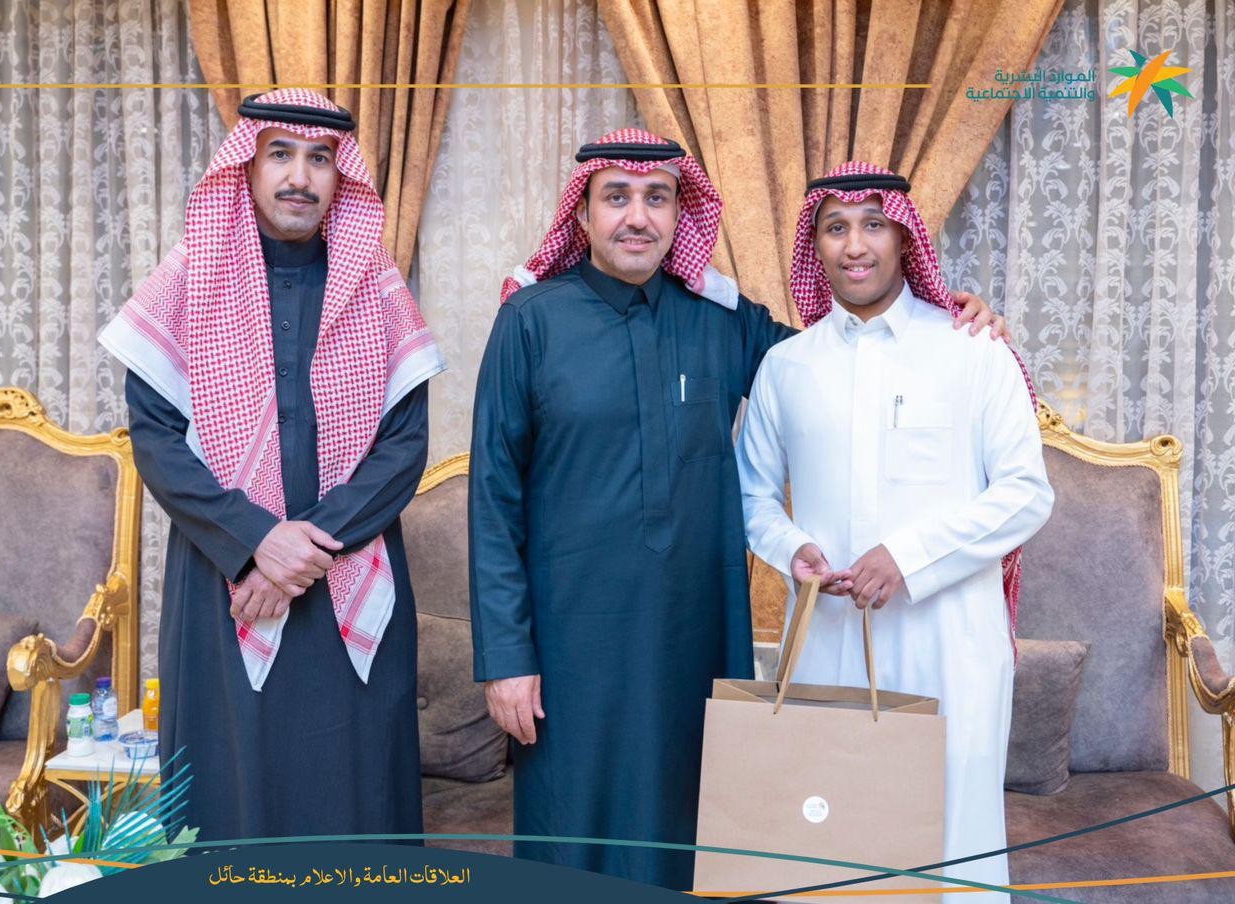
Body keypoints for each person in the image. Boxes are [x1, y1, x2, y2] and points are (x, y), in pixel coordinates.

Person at [468, 131, 1008, 889]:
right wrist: (506, 659)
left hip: (695, 639)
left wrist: (947, 319)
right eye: (616, 198)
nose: (637, 217)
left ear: (680, 215)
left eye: (657, 198)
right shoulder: (530, 322)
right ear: (582, 216)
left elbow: (838, 358)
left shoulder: (721, 321)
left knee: (700, 829)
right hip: (569, 647)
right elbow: (493, 501)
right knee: (571, 830)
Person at [99, 89, 445, 841]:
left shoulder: (378, 289)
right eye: (280, 154)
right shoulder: (188, 281)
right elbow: (155, 439)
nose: (300, 176)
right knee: (231, 784)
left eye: (319, 159)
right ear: (247, 168)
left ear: (339, 176)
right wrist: (256, 539)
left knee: (352, 791)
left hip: (348, 569)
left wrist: (301, 548)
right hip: (224, 580)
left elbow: (404, 447)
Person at [736, 161, 1054, 900]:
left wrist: (907, 558)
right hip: (828, 640)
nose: (855, 245)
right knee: (830, 841)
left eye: (874, 225)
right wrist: (793, 549)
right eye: (836, 228)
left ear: (905, 239)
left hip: (952, 643)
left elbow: (1025, 495)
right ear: (814, 245)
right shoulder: (785, 366)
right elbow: (751, 496)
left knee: (953, 846)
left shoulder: (974, 350)